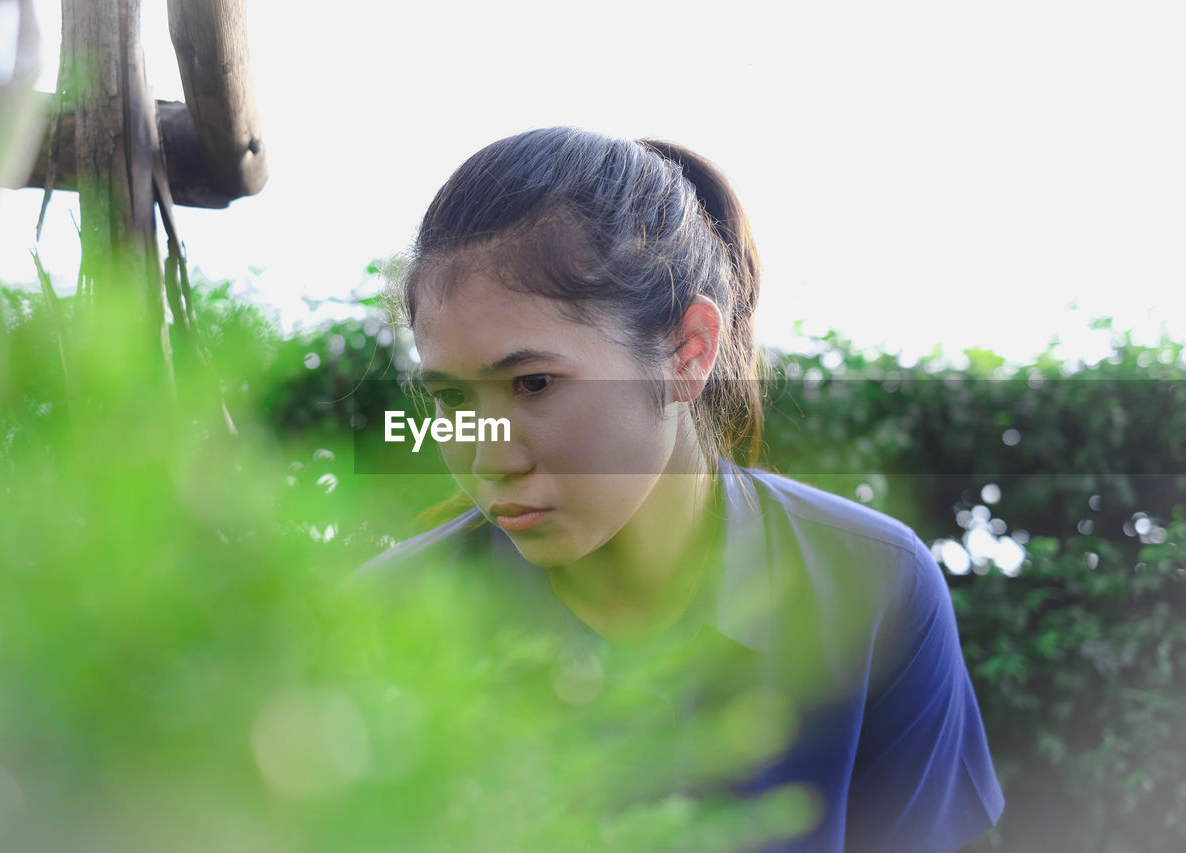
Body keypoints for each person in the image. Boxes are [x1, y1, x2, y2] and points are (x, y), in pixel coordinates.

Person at [357, 127, 1004, 851]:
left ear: (687, 351)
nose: (488, 457)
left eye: (533, 383)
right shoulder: (377, 621)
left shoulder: (872, 583)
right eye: (451, 400)